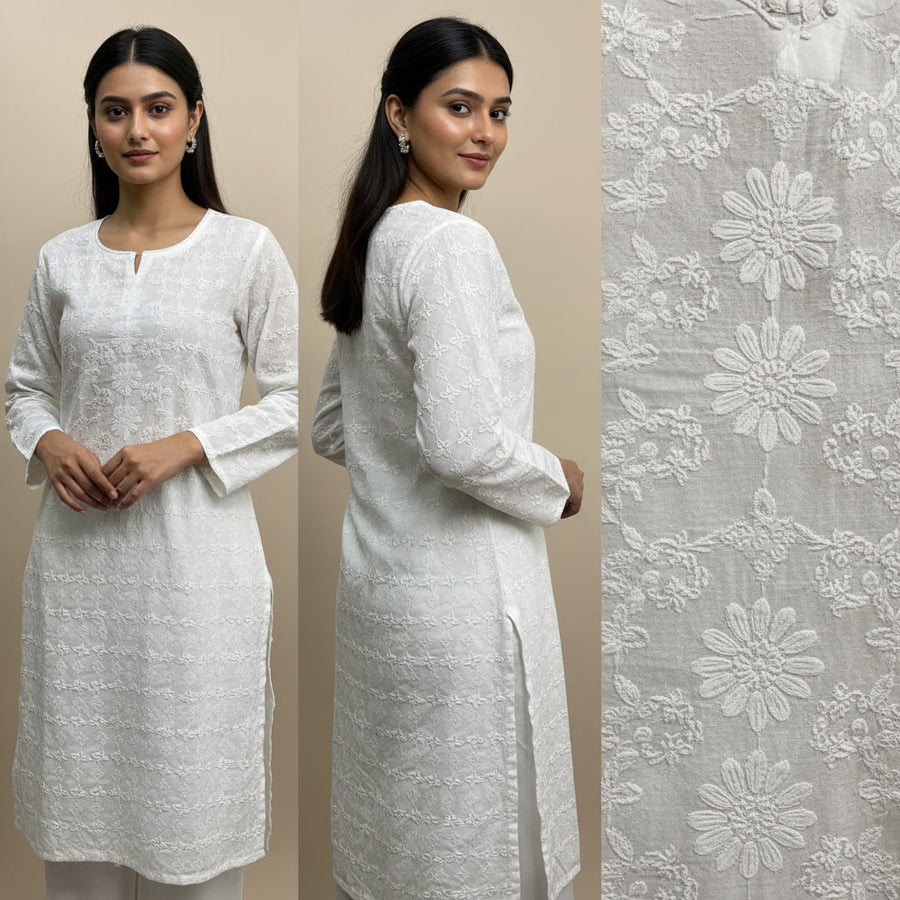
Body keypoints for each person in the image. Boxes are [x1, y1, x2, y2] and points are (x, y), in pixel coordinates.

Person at [4, 26, 298, 900]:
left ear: (194, 119)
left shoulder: (245, 251)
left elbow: (296, 402)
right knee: (82, 815)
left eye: (159, 108)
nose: (139, 129)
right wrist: (49, 440)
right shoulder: (63, 259)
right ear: (94, 125)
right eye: (116, 110)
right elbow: (23, 388)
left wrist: (190, 444)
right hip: (79, 571)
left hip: (198, 576)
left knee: (191, 809)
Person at [312, 17, 584, 900]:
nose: (484, 134)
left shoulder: (375, 239)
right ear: (400, 113)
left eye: (500, 113)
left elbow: (330, 425)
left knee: (406, 854)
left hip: (385, 602)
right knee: (473, 859)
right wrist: (557, 481)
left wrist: (399, 454)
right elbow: (463, 442)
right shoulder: (448, 243)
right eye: (459, 107)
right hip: (465, 610)